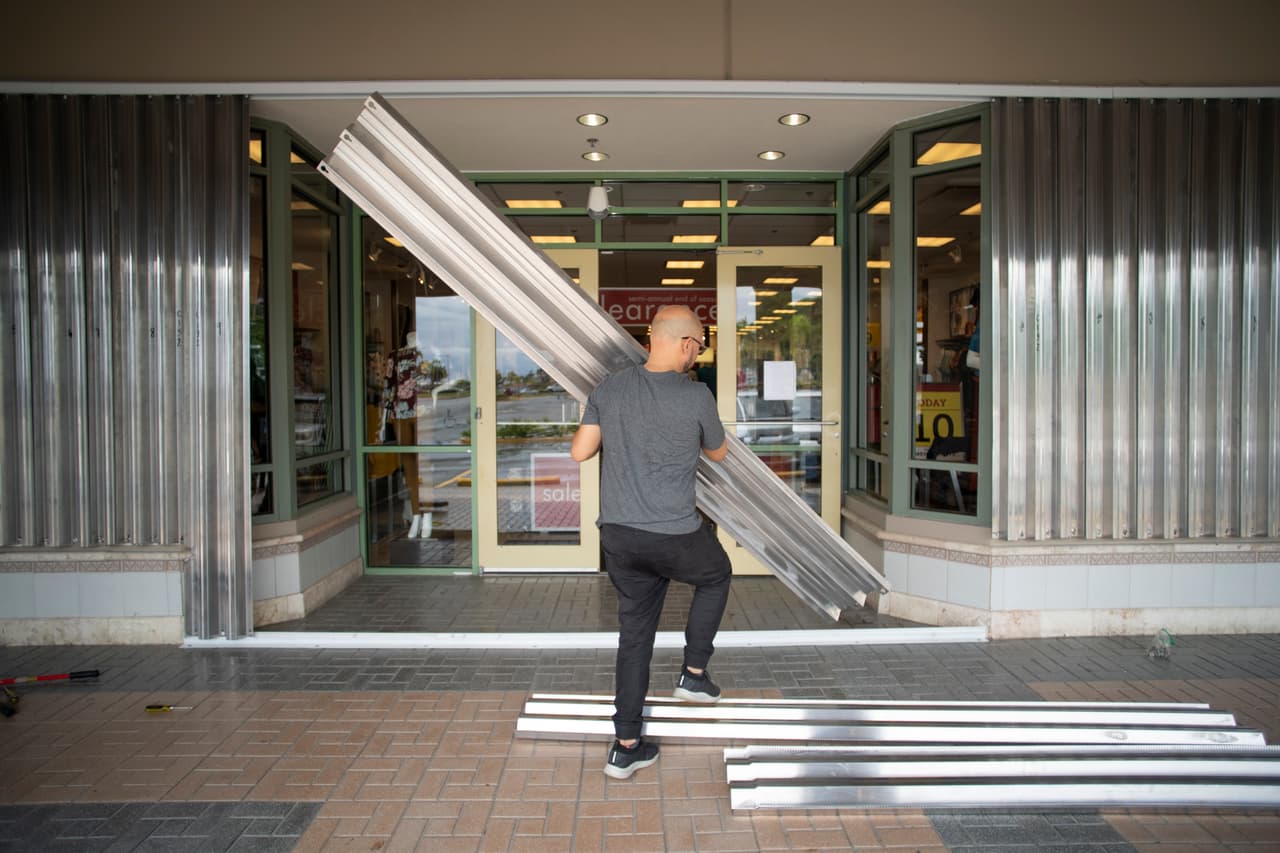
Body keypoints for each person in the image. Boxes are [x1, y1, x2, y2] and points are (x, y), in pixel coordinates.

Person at [570, 304, 732, 780]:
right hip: (673, 534)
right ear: (685, 343)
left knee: (634, 637)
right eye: (699, 347)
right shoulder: (696, 395)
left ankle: (625, 747)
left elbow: (580, 450)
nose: (698, 356)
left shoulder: (610, 387)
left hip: (620, 537)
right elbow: (718, 454)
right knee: (717, 574)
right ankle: (694, 674)